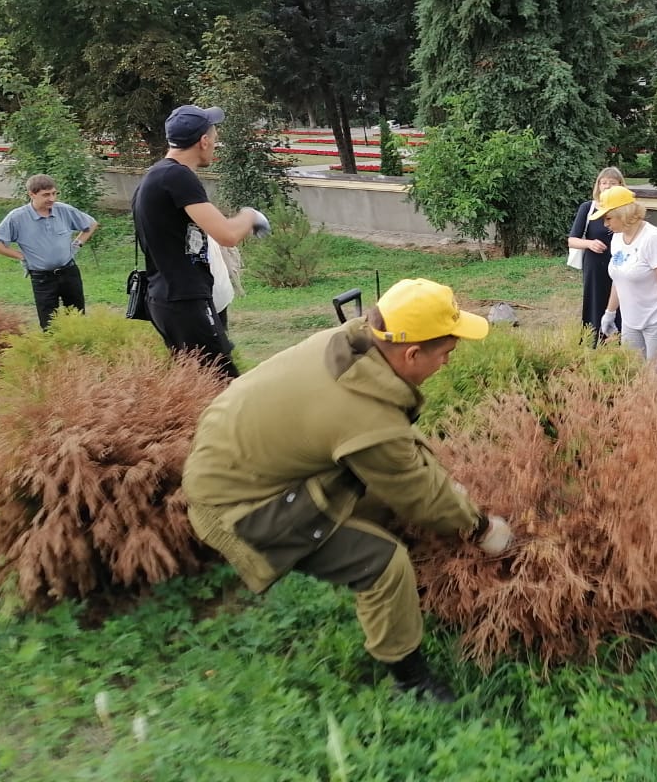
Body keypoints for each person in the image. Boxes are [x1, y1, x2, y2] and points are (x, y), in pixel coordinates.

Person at [182, 278, 514, 703]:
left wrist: (443, 492)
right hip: (240, 507)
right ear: (412, 354)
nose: (448, 363)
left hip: (241, 464)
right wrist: (483, 528)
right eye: (446, 353)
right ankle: (410, 682)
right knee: (383, 563)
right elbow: (420, 493)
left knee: (381, 503)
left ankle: (414, 601)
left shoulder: (352, 345)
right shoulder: (363, 413)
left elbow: (400, 460)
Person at [131, 104, 270, 378]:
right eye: (215, 137)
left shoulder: (156, 175)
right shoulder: (177, 176)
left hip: (167, 299)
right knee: (224, 385)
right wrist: (250, 215)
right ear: (203, 141)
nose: (216, 143)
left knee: (197, 385)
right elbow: (227, 235)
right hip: (183, 301)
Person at [0, 174, 99, 330]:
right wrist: (22, 256)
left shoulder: (64, 210)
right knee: (49, 324)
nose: (51, 198)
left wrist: (77, 244)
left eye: (54, 193)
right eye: (46, 195)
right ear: (32, 194)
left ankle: (77, 351)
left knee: (77, 318)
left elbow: (91, 224)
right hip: (42, 278)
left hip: (69, 272)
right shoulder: (18, 217)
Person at [591, 186, 657, 359]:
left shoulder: (652, 238)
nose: (605, 224)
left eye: (608, 218)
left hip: (656, 323)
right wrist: (610, 312)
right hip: (630, 323)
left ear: (624, 213)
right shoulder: (616, 238)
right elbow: (619, 278)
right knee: (634, 375)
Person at [567, 167, 624, 345]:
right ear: (598, 185)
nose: (607, 186)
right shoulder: (588, 207)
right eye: (603, 182)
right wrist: (589, 244)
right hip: (595, 263)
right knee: (595, 300)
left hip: (620, 261)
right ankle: (592, 340)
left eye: (612, 183)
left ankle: (620, 338)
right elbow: (572, 240)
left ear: (620, 186)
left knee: (621, 299)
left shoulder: (624, 208)